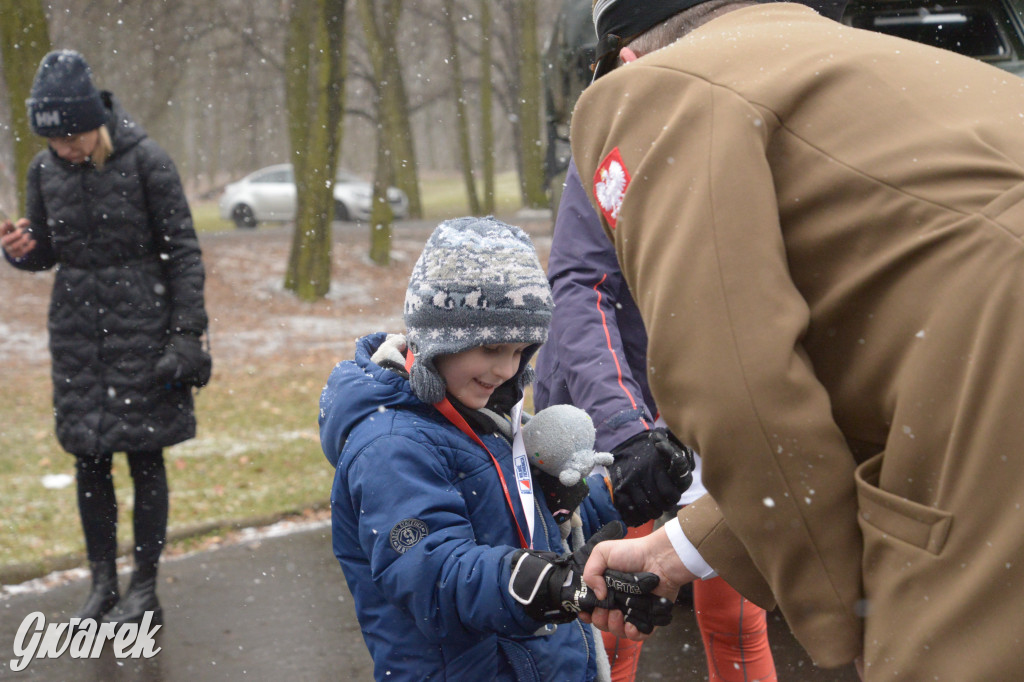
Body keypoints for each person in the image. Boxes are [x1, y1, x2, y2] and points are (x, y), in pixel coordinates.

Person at [568, 0, 1024, 679]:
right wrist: (679, 550)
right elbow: (864, 374)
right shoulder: (921, 73)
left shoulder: (657, 87)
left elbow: (738, 394)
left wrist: (850, 612)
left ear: (625, 60)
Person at [319, 217, 673, 681]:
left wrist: (624, 490)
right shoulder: (390, 446)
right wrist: (545, 584)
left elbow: (532, 524)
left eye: (521, 351)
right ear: (438, 338)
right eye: (490, 347)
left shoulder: (488, 418)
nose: (506, 369)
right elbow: (435, 573)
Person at [534, 158, 776, 682]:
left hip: (723, 402)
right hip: (614, 402)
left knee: (734, 617)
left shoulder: (754, 123)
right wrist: (627, 428)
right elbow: (580, 284)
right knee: (609, 617)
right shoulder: (613, 136)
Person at [1, 50, 209, 626]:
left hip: (144, 331)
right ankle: (102, 586)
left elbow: (185, 255)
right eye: (53, 140)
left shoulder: (149, 162)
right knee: (88, 461)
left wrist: (187, 335)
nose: (63, 149)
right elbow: (45, 250)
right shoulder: (43, 171)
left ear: (94, 120)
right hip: (76, 337)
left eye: (71, 136)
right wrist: (21, 251)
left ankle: (145, 589)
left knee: (145, 459)